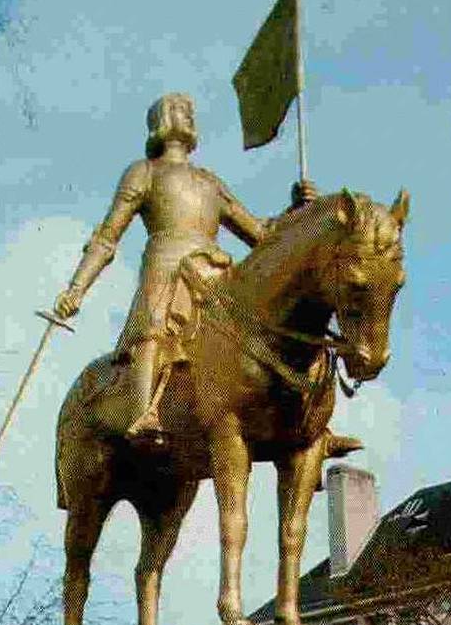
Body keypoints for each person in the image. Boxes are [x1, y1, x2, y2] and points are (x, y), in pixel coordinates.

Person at [54, 92, 357, 455]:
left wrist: (297, 212)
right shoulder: (144, 172)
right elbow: (107, 237)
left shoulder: (209, 182)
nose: (190, 116)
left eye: (191, 111)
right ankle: (144, 412)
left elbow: (260, 234)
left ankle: (309, 425)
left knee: (262, 331)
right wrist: (76, 288)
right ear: (162, 121)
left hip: (216, 273)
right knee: (155, 332)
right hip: (168, 269)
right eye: (181, 110)